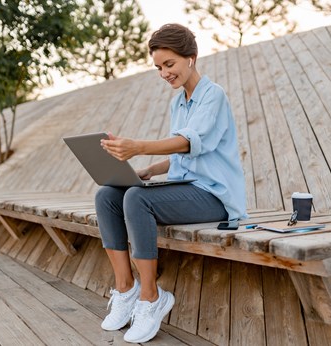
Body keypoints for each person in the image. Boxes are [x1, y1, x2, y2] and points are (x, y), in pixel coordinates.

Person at [94, 23, 247, 344]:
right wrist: (149, 168)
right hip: (185, 189)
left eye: (169, 64)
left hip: (216, 197)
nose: (164, 73)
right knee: (108, 194)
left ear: (191, 58)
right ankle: (126, 289)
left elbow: (188, 142)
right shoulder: (178, 102)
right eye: (158, 67)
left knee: (136, 199)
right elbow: (182, 154)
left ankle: (151, 298)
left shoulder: (213, 95)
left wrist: (138, 146)